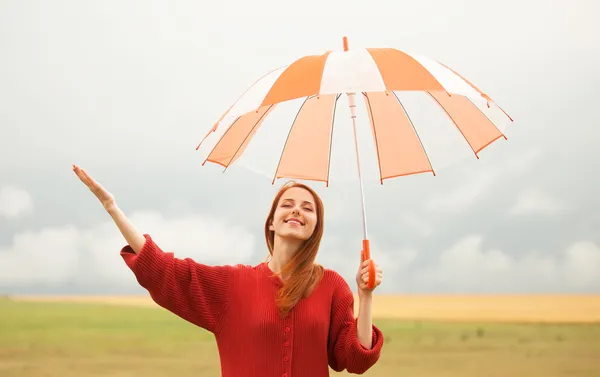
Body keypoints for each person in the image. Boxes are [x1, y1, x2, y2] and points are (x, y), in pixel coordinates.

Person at [72, 164, 384, 377]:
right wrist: (113, 208)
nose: (297, 211)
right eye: (287, 204)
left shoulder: (331, 286)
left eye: (308, 208)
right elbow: (165, 270)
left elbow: (355, 360)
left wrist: (365, 296)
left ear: (316, 226)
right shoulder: (233, 285)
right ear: (272, 222)